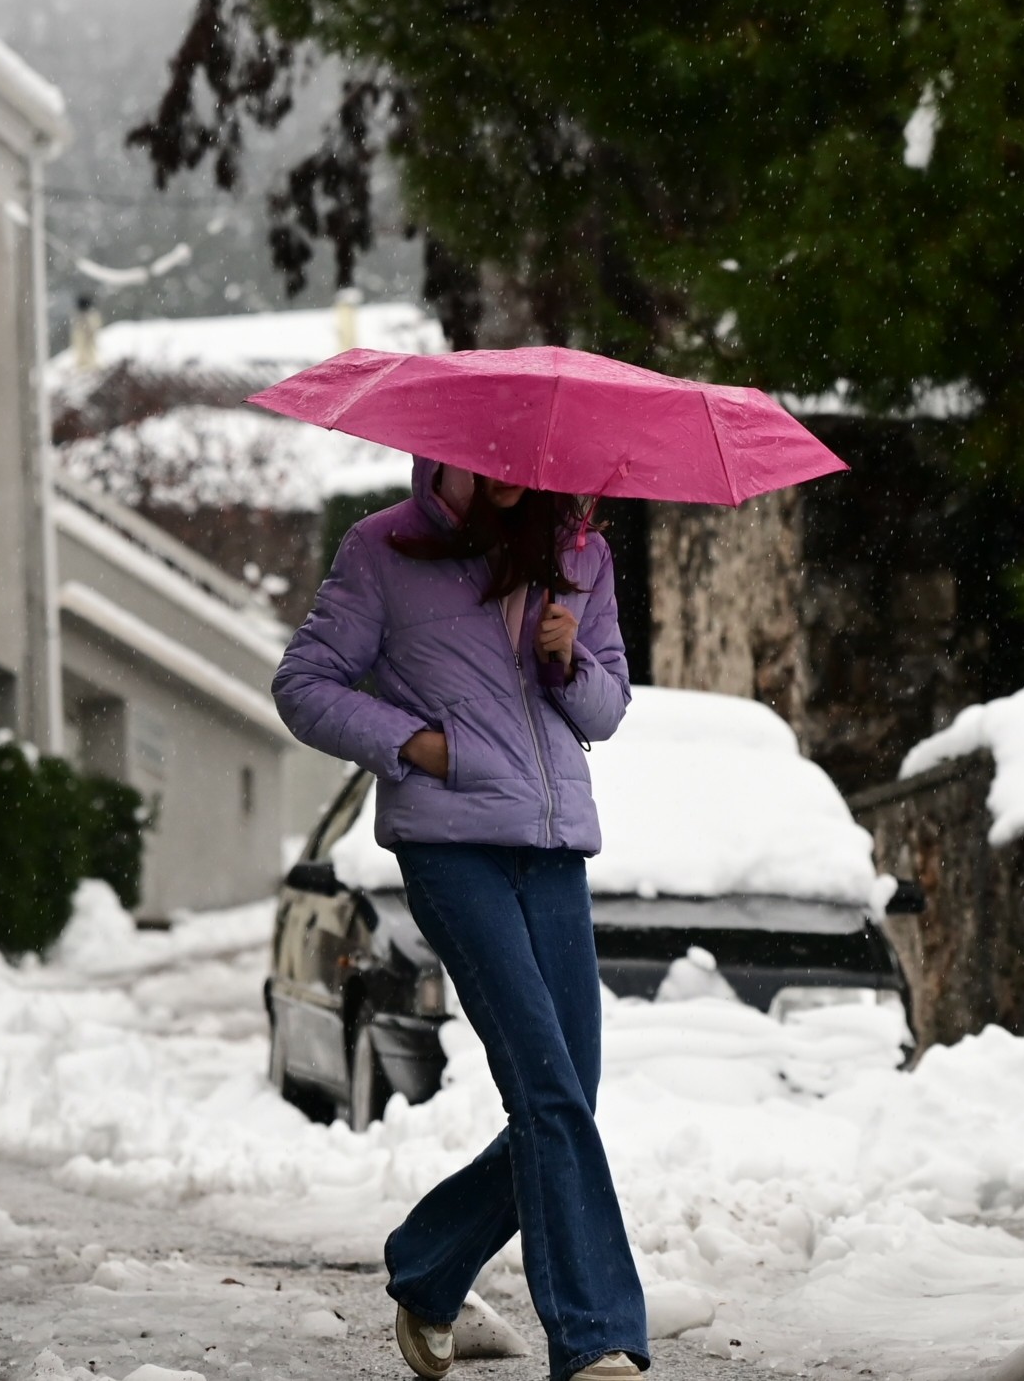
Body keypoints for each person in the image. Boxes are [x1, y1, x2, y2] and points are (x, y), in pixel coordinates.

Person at [274, 456, 649, 1381]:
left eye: (533, 457)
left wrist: (571, 659)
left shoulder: (580, 555)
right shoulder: (381, 552)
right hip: (450, 847)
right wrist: (413, 744)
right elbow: (305, 684)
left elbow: (607, 711)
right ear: (448, 458)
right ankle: (596, 1335)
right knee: (547, 1088)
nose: (519, 474)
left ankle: (431, 1266)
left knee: (567, 1091)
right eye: (495, 460)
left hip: (554, 845)